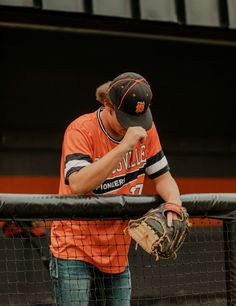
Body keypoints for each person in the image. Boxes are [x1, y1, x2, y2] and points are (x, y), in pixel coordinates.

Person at [49, 72, 182, 306]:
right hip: (74, 247)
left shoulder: (146, 130)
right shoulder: (81, 129)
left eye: (138, 119)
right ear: (107, 105)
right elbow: (78, 184)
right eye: (126, 119)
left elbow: (163, 177)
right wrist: (124, 147)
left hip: (117, 251)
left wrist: (173, 203)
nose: (133, 126)